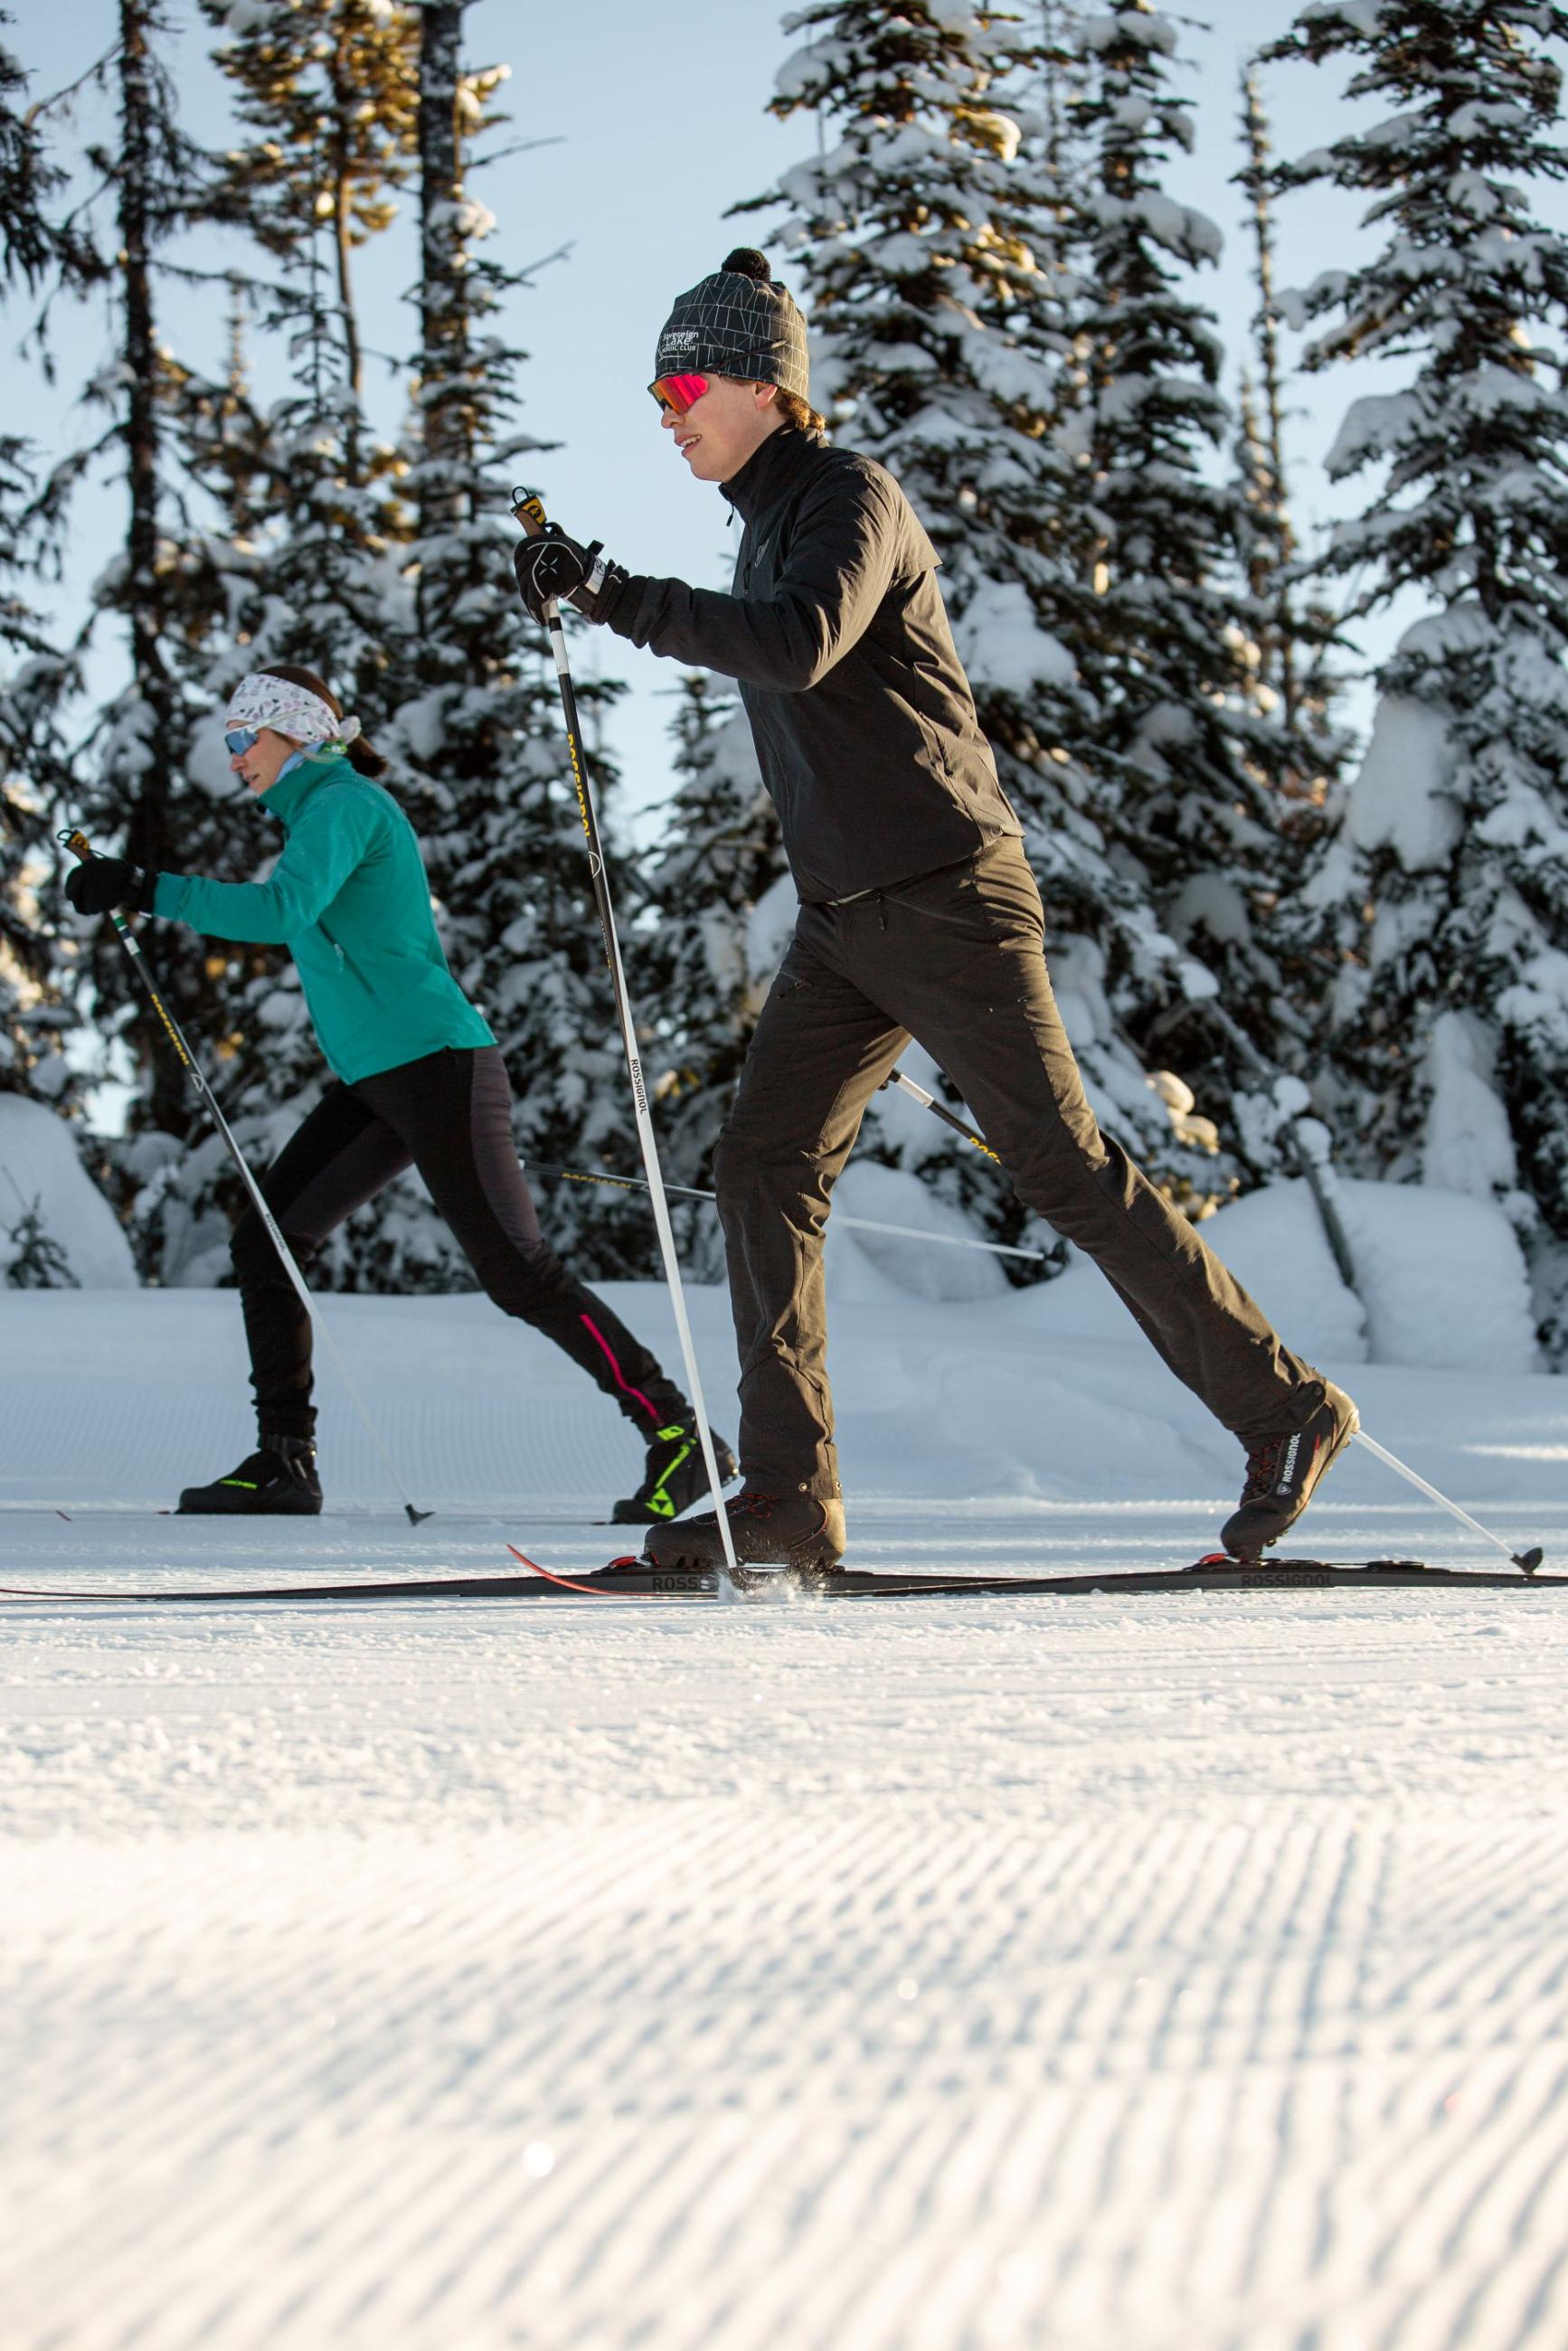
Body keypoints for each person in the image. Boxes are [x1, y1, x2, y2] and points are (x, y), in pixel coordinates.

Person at [512, 248, 1356, 1575]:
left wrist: (616, 599)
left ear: (768, 388)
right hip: (847, 919)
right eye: (655, 390)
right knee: (759, 1165)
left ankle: (1289, 1410)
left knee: (1062, 1167)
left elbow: (795, 644)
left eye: (685, 381)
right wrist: (620, 599)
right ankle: (788, 1497)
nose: (667, 409)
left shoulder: (848, 494)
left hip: (947, 892)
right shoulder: (763, 517)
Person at [64, 663, 734, 1521]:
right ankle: (283, 1461)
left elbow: (281, 913)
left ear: (295, 734)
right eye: (229, 743)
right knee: (267, 1243)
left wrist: (144, 888)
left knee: (517, 1274)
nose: (233, 758)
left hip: (438, 1066)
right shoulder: (318, 812)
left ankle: (679, 1436)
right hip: (379, 1082)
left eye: (244, 739)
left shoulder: (341, 805)